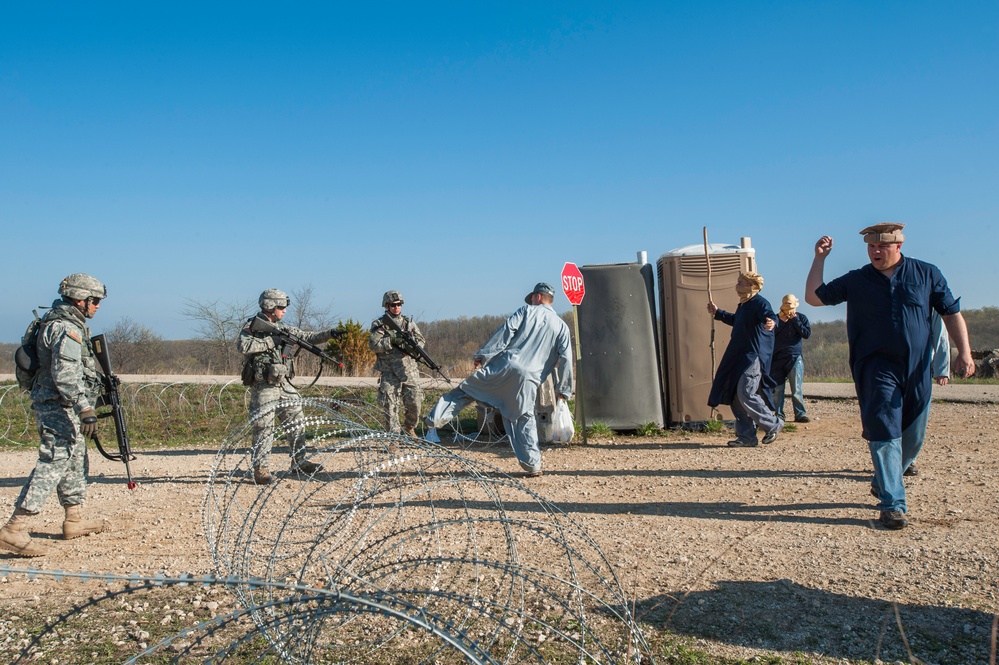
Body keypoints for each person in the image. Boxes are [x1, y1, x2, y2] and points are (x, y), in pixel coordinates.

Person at [805, 222, 975, 530]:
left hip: (917, 368)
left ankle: (885, 479)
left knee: (914, 435)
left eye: (882, 247)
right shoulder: (857, 280)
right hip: (875, 367)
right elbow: (815, 298)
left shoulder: (926, 274)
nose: (875, 252)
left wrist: (964, 352)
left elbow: (951, 313)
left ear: (898, 247)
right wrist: (820, 259)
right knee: (884, 427)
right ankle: (893, 503)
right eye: (871, 247)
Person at [0, 274, 110, 557]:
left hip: (59, 403)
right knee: (55, 459)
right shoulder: (65, 328)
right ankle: (14, 528)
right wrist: (84, 407)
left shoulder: (59, 322)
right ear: (79, 299)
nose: (97, 306)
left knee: (74, 456)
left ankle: (73, 519)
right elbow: (65, 374)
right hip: (57, 403)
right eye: (94, 301)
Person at [424, 282, 573, 477]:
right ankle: (532, 465)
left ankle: (434, 420)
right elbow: (566, 359)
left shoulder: (527, 311)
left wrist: (483, 355)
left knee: (466, 391)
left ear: (537, 297)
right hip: (529, 379)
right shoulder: (561, 326)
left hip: (504, 367)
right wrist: (564, 389)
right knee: (523, 418)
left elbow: (505, 332)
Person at [238, 289, 342, 485]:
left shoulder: (283, 328)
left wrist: (330, 334)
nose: (284, 311)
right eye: (280, 307)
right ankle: (261, 469)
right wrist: (272, 341)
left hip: (284, 384)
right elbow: (243, 347)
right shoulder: (252, 326)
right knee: (264, 426)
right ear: (270, 306)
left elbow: (307, 337)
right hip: (264, 386)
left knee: (297, 422)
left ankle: (299, 461)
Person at [707, 271, 782, 447]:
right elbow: (737, 321)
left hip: (751, 356)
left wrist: (772, 322)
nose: (738, 284)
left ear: (751, 285)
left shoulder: (759, 303)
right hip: (737, 356)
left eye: (741, 282)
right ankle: (747, 436)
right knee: (734, 395)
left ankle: (773, 424)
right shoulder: (743, 305)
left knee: (746, 392)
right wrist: (718, 313)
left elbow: (771, 316)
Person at [369, 290, 426, 437]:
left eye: (399, 304)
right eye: (393, 305)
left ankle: (409, 427)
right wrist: (392, 340)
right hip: (389, 371)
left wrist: (413, 349)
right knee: (390, 405)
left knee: (415, 402)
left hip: (409, 370)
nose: (396, 307)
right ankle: (393, 436)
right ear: (386, 306)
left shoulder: (408, 323)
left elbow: (421, 340)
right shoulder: (380, 324)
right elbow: (374, 345)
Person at [904, 311, 951, 478]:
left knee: (916, 417)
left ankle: (908, 460)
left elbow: (940, 334)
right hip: (885, 366)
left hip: (920, 367)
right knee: (886, 417)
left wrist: (942, 368)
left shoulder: (929, 291)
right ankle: (889, 462)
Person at [771, 294, 812, 423]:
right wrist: (781, 323)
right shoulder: (776, 319)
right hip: (777, 359)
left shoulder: (801, 318)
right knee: (777, 390)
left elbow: (806, 334)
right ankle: (778, 414)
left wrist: (795, 320)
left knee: (796, 389)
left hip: (795, 358)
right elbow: (769, 334)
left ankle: (800, 414)